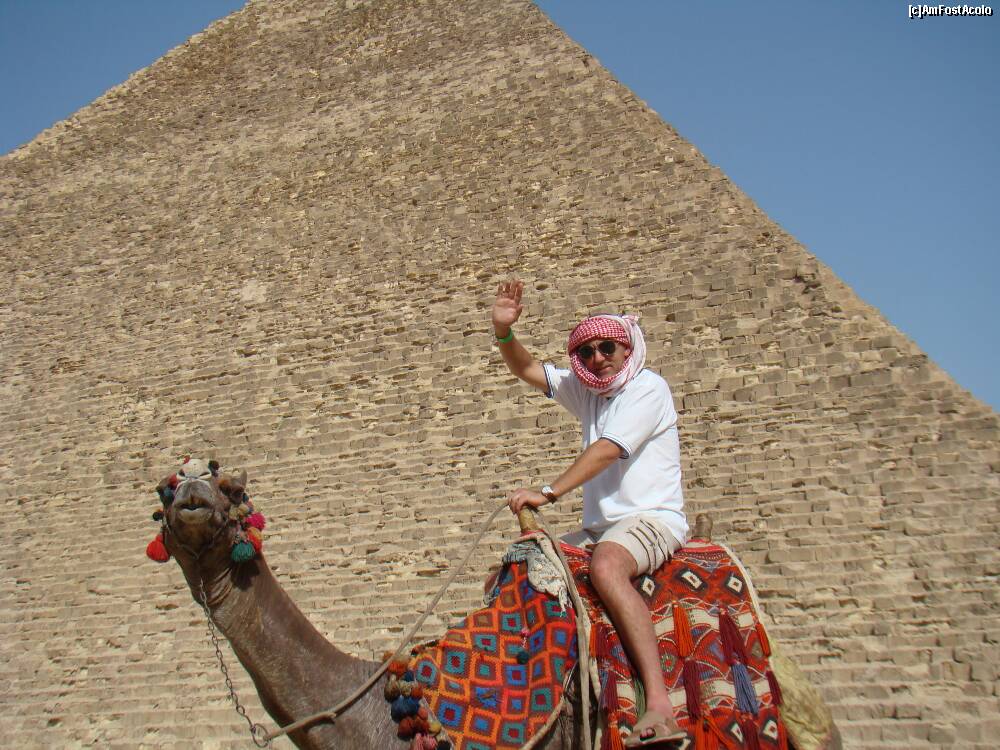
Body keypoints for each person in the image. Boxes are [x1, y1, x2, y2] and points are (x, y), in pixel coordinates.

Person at [491, 278, 688, 747]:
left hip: (653, 518)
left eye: (607, 348)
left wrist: (548, 492)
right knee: (515, 570)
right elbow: (527, 369)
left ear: (627, 349)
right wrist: (503, 332)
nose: (598, 358)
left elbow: (607, 449)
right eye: (587, 352)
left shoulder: (647, 388)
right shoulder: (588, 392)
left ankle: (659, 704)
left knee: (606, 567)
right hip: (600, 527)